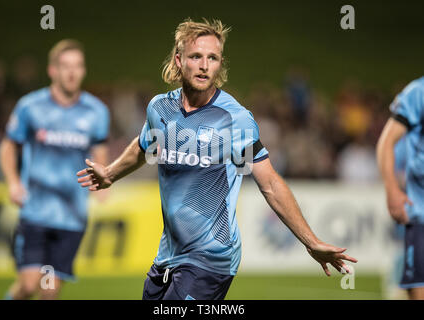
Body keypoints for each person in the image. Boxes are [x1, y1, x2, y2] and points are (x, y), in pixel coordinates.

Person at [77, 18, 357, 300]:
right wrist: (111, 173)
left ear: (220, 64)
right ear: (178, 60)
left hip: (212, 258)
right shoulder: (159, 109)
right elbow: (144, 145)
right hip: (169, 255)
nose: (204, 65)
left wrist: (311, 242)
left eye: (212, 58)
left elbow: (269, 182)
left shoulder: (235, 120)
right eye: (196, 56)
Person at [0, 39, 110, 300]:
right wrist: (13, 182)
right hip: (35, 212)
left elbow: (99, 152)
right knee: (28, 286)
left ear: (83, 71)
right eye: (65, 66)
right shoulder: (30, 106)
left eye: (78, 66)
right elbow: (7, 146)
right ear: (53, 70)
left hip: (72, 216)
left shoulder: (97, 112)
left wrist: (102, 181)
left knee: (49, 292)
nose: (72, 72)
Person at [377, 76, 424, 300]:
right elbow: (386, 143)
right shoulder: (418, 92)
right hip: (419, 210)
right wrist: (392, 189)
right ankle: (394, 283)